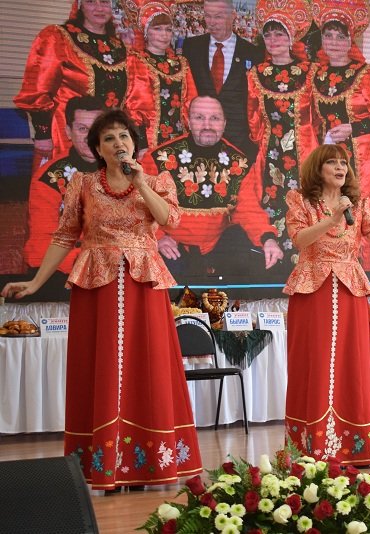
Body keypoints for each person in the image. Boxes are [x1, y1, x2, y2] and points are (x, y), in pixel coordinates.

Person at [1, 109, 204, 491]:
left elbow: (170, 220)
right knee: (100, 367)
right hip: (97, 284)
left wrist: (140, 182)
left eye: (124, 136)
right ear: (96, 148)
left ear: (134, 143)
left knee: (150, 367)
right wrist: (35, 282)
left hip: (144, 284)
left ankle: (152, 462)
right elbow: (64, 236)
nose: (118, 143)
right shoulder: (83, 184)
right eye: (108, 138)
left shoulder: (156, 180)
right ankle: (104, 464)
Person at [283, 144, 370, 466]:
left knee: (354, 364)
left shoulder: (359, 204)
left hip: (350, 292)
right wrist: (333, 218)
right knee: (315, 363)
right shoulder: (300, 201)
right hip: (312, 290)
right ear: (318, 168)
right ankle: (314, 446)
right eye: (332, 163)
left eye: (344, 163)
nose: (341, 168)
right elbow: (300, 239)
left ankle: (356, 444)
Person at [310, 0, 370, 272]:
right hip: (331, 159)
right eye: (328, 35)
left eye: (340, 36)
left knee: (368, 217)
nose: (333, 42)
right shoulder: (316, 76)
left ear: (350, 40)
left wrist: (353, 128)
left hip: (367, 161)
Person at [142, 95, 283, 278]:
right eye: (199, 118)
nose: (207, 125)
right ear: (188, 122)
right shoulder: (157, 159)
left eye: (214, 118)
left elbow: (248, 210)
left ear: (224, 124)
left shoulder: (239, 163)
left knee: (248, 262)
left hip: (218, 247)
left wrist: (268, 239)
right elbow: (141, 207)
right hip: (172, 246)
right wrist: (159, 238)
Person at [14, 0, 127, 169]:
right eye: (91, 1)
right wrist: (43, 134)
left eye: (104, 2)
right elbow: (38, 88)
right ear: (80, 5)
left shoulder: (119, 46)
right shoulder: (58, 37)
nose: (99, 8)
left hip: (107, 135)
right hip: (67, 134)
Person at [246, 0, 316, 270]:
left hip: (305, 154)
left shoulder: (310, 72)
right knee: (272, 206)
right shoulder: (256, 74)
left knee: (306, 206)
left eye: (279, 34)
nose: (273, 40)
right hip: (271, 156)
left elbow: (318, 115)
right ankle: (276, 264)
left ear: (291, 38)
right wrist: (264, 146)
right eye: (268, 34)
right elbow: (253, 116)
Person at [24, 96, 105, 280]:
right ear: (68, 132)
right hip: (67, 267)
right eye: (82, 129)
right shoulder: (49, 178)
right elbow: (40, 242)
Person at [181, 0, 262, 160]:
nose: (211, 22)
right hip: (201, 139)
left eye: (218, 17)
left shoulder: (253, 53)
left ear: (233, 16)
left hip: (239, 142)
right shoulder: (191, 47)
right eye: (208, 16)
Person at [126, 0, 197, 151]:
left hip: (181, 139)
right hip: (149, 142)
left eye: (168, 29)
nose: (164, 35)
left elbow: (191, 102)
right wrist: (141, 145)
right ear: (146, 32)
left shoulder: (182, 63)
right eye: (157, 29)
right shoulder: (136, 60)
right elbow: (135, 107)